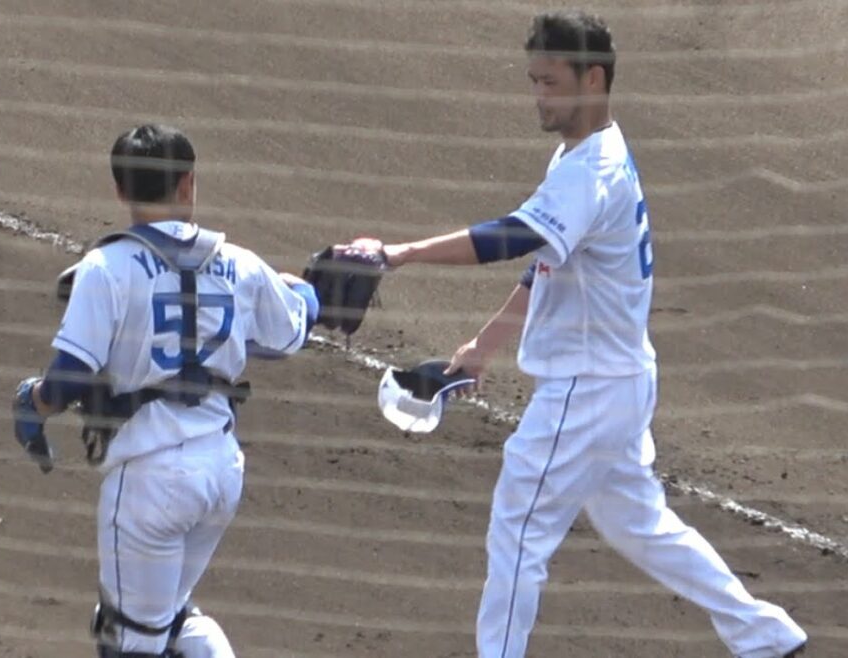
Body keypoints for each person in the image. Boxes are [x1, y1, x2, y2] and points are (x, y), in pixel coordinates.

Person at [338, 11, 808, 658]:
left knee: (518, 529)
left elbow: (512, 238)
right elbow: (545, 265)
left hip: (586, 390)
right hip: (620, 379)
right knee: (640, 525)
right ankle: (768, 636)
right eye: (533, 81)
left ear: (592, 79)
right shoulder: (584, 156)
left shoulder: (592, 173)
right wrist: (483, 347)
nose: (539, 97)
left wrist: (399, 254)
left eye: (551, 83)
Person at [11, 124, 320, 657]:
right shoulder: (241, 264)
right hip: (220, 474)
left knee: (127, 638)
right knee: (170, 616)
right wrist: (310, 289)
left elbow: (69, 376)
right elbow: (295, 328)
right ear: (188, 184)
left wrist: (32, 404)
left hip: (149, 482)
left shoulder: (105, 268)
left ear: (119, 190)